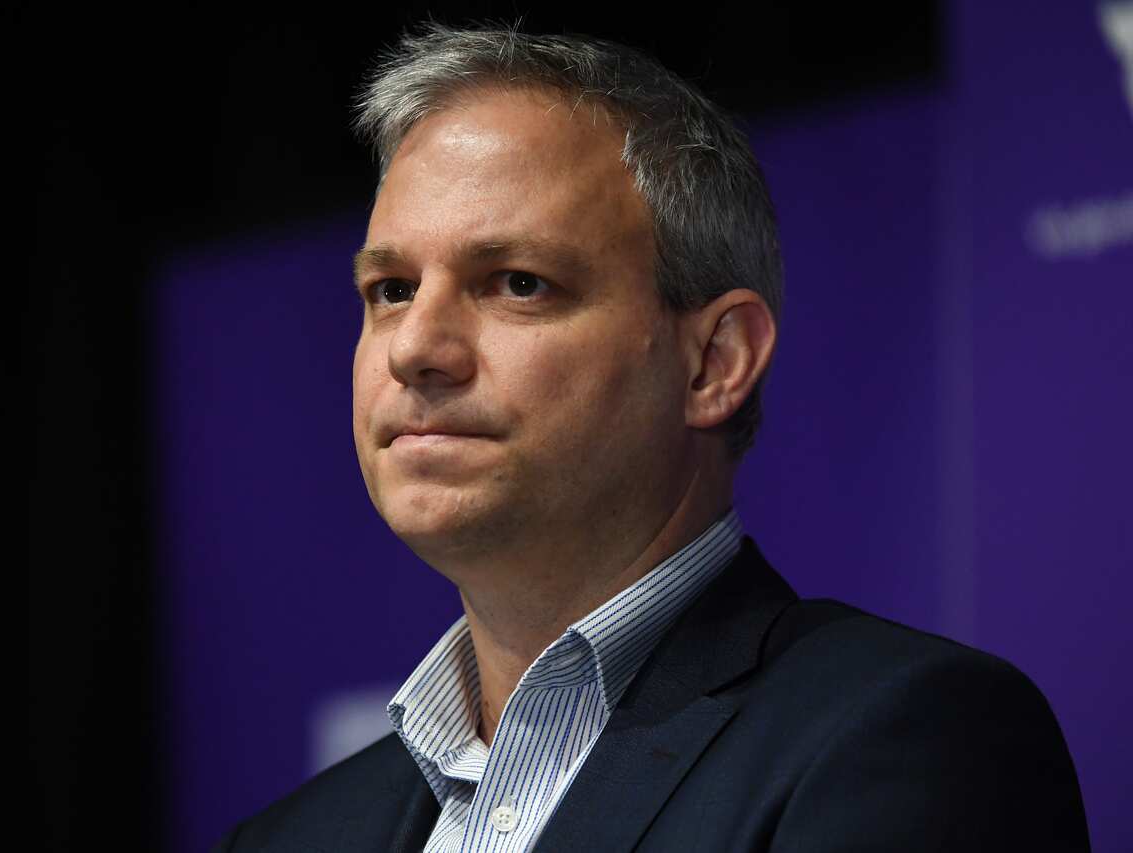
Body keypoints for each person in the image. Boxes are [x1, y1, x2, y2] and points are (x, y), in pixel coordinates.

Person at [214, 23, 1089, 853]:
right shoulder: (289, 837)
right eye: (392, 289)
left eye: (518, 282)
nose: (415, 349)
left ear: (715, 360)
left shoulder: (905, 740)